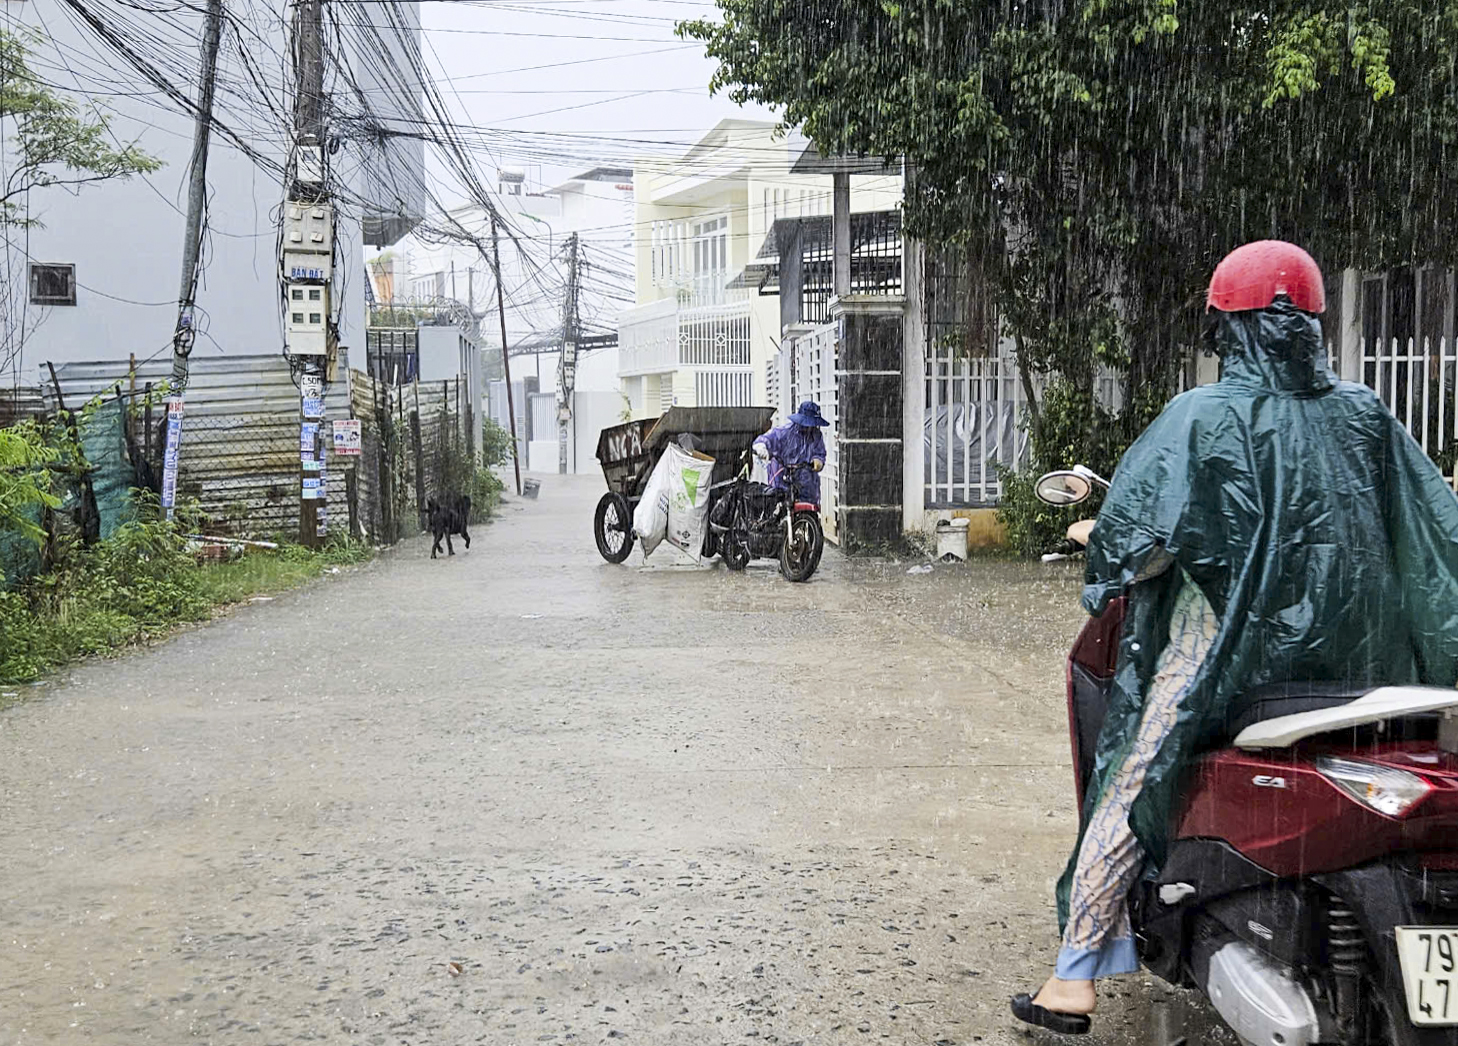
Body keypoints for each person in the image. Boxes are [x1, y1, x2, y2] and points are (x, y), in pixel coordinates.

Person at [1012, 240, 1458, 1035]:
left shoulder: (1201, 416)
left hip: (1230, 667)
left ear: (1228, 327)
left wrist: (1099, 536)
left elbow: (1141, 540)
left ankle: (1074, 977)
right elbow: (1432, 539)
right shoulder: (1366, 414)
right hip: (1363, 670)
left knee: (1134, 775)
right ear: (1313, 325)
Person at [753, 400, 828, 505]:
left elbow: (819, 453)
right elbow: (768, 438)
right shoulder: (785, 432)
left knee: (808, 510)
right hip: (783, 478)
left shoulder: (816, 435)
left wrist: (818, 461)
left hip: (807, 483)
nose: (809, 428)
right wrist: (762, 447)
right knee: (779, 506)